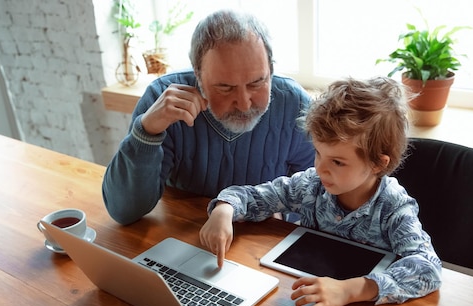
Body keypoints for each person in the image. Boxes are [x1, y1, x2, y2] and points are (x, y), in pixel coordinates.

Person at [199, 76, 442, 306]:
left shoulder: (393, 206)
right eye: (318, 153)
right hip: (306, 302)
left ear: (378, 163)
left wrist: (349, 291)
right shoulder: (311, 185)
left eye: (337, 161)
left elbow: (427, 268)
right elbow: (255, 197)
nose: (320, 169)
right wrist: (224, 209)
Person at [102, 10, 315, 225]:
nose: (244, 104)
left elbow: (317, 197)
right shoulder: (162, 99)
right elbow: (123, 211)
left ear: (271, 69)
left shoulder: (295, 104)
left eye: (256, 83)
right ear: (198, 76)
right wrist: (146, 132)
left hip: (261, 242)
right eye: (225, 87)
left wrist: (284, 214)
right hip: (185, 235)